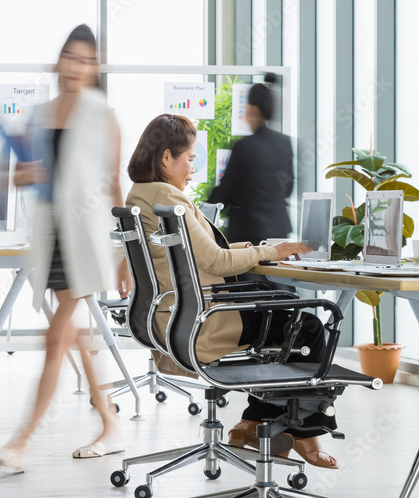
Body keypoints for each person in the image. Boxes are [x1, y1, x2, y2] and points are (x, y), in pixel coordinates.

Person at [125, 114, 340, 468]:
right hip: (205, 321)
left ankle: (251, 423)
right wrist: (272, 252)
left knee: (286, 319)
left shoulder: (141, 194)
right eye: (190, 158)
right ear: (167, 158)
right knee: (307, 328)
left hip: (172, 318)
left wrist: (258, 246)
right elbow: (215, 262)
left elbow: (202, 254)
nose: (192, 169)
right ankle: (304, 434)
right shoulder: (167, 195)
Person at [0, 25, 132, 474]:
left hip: (84, 241)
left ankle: (22, 441)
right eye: (70, 57)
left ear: (95, 69)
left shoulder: (102, 117)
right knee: (74, 338)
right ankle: (110, 424)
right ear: (58, 62)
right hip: (50, 239)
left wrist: (127, 251)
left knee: (56, 338)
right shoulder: (38, 114)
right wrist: (23, 176)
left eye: (86, 61)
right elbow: (17, 177)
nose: (76, 67)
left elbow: (113, 186)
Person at [206, 73, 294, 246]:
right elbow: (288, 189)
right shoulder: (285, 143)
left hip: (249, 232)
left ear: (253, 109)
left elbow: (227, 190)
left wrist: (204, 208)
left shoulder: (244, 146)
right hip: (279, 230)